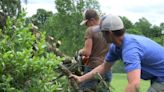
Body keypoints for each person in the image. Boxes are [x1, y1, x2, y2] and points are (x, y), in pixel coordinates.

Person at [71, 14, 164, 92]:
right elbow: (104, 67)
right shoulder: (116, 47)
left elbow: (134, 84)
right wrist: (81, 79)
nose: (102, 36)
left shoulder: (130, 49)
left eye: (103, 33)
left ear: (110, 33)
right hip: (158, 77)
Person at [78, 9, 112, 91]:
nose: (86, 25)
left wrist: (79, 52)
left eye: (86, 23)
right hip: (107, 70)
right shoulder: (108, 30)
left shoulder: (90, 30)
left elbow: (87, 52)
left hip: (93, 68)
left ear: (92, 20)